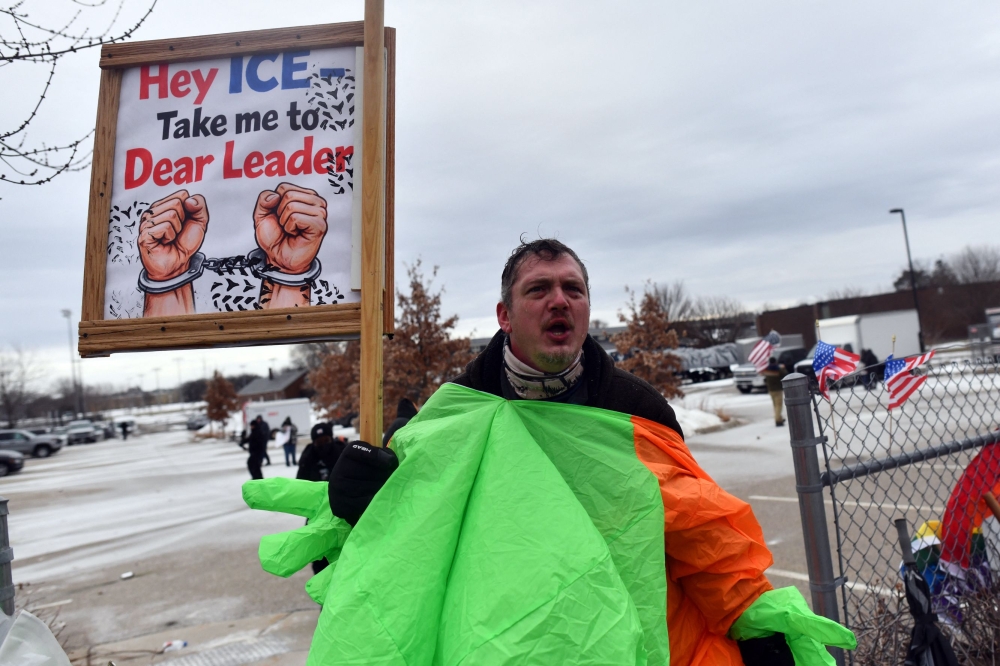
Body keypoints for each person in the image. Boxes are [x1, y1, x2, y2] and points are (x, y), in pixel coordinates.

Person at [294, 239, 854, 664]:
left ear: (586, 309)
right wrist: (353, 512)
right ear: (505, 315)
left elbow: (698, 535)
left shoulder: (635, 411)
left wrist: (754, 622)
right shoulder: (447, 425)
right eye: (538, 289)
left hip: (635, 645)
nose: (559, 300)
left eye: (573, 289)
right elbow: (387, 577)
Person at [296, 422, 347, 574]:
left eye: (326, 440)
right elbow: (300, 485)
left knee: (343, 555)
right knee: (318, 556)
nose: (323, 445)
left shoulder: (342, 453)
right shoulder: (308, 458)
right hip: (316, 515)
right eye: (318, 442)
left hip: (343, 513)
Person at [761, 356, 788, 426]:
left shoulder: (767, 369)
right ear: (775, 361)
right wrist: (783, 368)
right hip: (778, 390)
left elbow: (765, 379)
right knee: (779, 405)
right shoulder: (778, 369)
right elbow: (785, 374)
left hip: (771, 390)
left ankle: (779, 417)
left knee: (775, 405)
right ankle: (778, 420)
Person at [246, 415, 270, 480]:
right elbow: (249, 439)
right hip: (254, 453)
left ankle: (258, 478)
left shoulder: (258, 432)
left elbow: (260, 443)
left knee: (254, 466)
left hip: (257, 453)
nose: (251, 427)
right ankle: (256, 478)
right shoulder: (254, 432)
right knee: (253, 465)